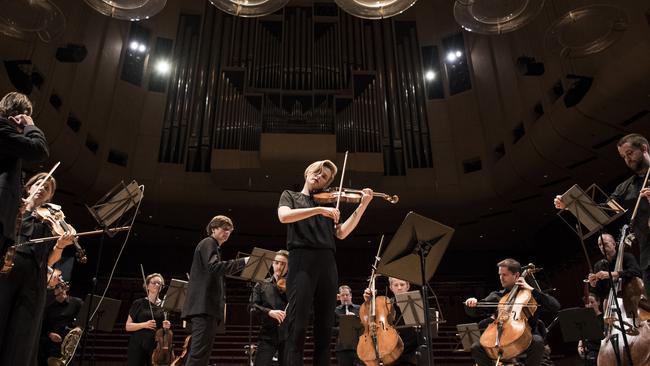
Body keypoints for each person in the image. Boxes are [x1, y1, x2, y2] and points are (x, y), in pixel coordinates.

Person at [277, 159, 373, 366]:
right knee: (298, 324)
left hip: (327, 262)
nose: (319, 177)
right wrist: (319, 210)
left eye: (325, 177)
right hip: (302, 260)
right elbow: (284, 217)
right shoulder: (290, 196)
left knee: (325, 326)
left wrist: (363, 204)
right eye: (318, 172)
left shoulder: (328, 203)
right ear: (308, 171)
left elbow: (341, 233)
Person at [554, 133, 650, 298]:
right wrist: (571, 205)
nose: (628, 159)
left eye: (630, 153)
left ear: (644, 148)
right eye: (623, 157)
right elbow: (601, 212)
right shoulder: (625, 188)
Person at [0, 172, 75, 365]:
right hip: (6, 271)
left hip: (34, 279)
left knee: (23, 333)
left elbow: (50, 261)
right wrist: (17, 212)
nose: (42, 188)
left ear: (50, 197)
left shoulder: (49, 222)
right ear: (29, 187)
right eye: (39, 183)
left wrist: (60, 246)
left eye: (48, 188)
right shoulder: (12, 208)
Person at [464, 258, 560, 366]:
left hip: (527, 335)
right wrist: (472, 303)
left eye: (505, 275)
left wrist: (531, 289)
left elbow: (555, 306)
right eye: (500, 275)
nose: (501, 278)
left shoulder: (530, 294)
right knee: (476, 347)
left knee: (537, 341)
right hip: (500, 336)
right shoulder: (497, 295)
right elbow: (475, 312)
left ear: (516, 275)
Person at [181, 215, 248, 366]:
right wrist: (243, 262)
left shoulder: (213, 246)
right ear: (213, 229)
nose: (227, 233)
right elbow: (214, 267)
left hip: (206, 309)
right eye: (224, 229)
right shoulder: (208, 242)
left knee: (202, 354)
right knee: (198, 355)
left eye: (230, 231)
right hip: (203, 308)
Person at [0, 91, 49, 252]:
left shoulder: (8, 140)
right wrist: (30, 125)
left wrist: (16, 200)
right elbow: (39, 150)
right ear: (19, 115)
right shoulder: (2, 127)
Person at [363, 277, 420, 365]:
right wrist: (368, 302)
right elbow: (372, 321)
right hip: (392, 352)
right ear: (391, 287)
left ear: (408, 286)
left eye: (402, 284)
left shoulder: (415, 303)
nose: (399, 288)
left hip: (412, 353)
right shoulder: (385, 305)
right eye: (396, 285)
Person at [250, 250, 289, 366]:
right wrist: (269, 312)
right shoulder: (261, 284)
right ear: (272, 263)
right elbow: (252, 307)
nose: (279, 267)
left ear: (288, 266)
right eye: (277, 263)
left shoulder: (293, 286)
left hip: (288, 336)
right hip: (267, 334)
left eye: (283, 264)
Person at [126, 273, 171, 366]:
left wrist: (167, 326)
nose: (157, 285)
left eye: (159, 283)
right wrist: (144, 324)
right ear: (147, 286)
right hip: (138, 345)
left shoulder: (165, 305)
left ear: (162, 287)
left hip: (156, 346)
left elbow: (166, 330)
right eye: (154, 283)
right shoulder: (138, 303)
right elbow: (128, 326)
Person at [38, 280, 83, 366]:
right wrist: (50, 334)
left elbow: (85, 319)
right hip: (53, 346)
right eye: (56, 295)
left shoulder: (77, 303)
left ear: (65, 290)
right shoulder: (50, 307)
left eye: (60, 294)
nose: (58, 297)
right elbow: (44, 326)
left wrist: (79, 327)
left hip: (71, 346)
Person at [588, 233, 642, 302]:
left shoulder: (626, 257)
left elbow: (637, 272)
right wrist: (593, 284)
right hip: (612, 303)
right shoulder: (598, 266)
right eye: (600, 245)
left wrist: (613, 274)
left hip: (631, 297)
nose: (602, 247)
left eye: (605, 244)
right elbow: (601, 293)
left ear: (614, 244)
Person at [334, 285, 362, 366]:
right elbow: (331, 330)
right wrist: (345, 325)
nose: (345, 297)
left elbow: (364, 326)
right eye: (342, 295)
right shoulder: (335, 311)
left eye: (347, 295)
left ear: (351, 296)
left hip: (358, 347)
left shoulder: (359, 309)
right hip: (342, 349)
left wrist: (354, 320)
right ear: (339, 297)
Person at [577, 293, 603, 366]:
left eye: (592, 302)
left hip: (601, 349)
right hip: (590, 351)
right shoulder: (586, 320)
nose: (590, 305)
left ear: (598, 302)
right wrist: (579, 346)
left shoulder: (604, 318)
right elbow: (582, 336)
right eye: (588, 303)